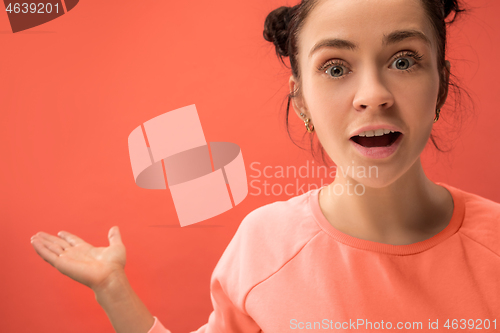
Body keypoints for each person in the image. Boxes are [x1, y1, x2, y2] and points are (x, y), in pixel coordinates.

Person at [30, 0, 500, 332]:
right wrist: (113, 289)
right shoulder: (265, 245)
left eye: (404, 60)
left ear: (441, 84)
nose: (372, 94)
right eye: (336, 67)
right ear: (302, 100)